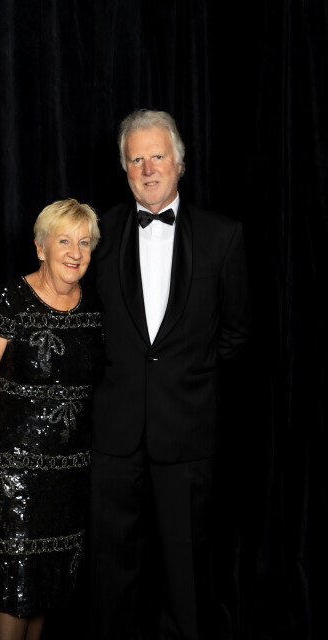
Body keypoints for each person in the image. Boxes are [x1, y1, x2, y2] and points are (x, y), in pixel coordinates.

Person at [90, 109, 251, 640]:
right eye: (136, 159)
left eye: (157, 156)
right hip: (114, 432)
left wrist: (188, 375)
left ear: (179, 163)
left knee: (186, 570)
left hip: (187, 429)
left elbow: (236, 331)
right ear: (125, 169)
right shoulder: (97, 233)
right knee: (111, 570)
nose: (148, 169)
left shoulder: (223, 236)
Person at [0, 198, 103, 640]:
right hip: (13, 473)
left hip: (70, 474)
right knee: (14, 586)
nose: (75, 253)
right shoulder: (9, 300)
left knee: (47, 586)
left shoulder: (94, 307)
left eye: (84, 242)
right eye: (64, 241)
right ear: (41, 247)